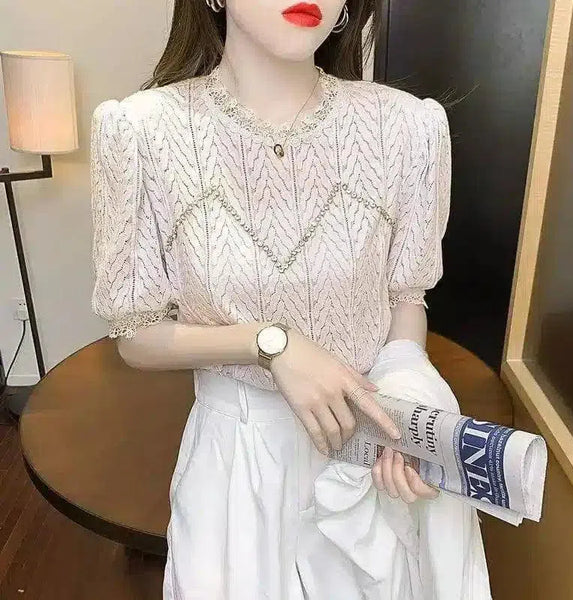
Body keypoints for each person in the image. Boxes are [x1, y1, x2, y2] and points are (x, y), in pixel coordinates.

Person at [90, 1, 491, 598]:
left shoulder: (407, 127)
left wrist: (406, 396)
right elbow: (136, 334)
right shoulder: (142, 132)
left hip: (369, 455)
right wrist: (271, 345)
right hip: (236, 468)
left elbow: (406, 297)